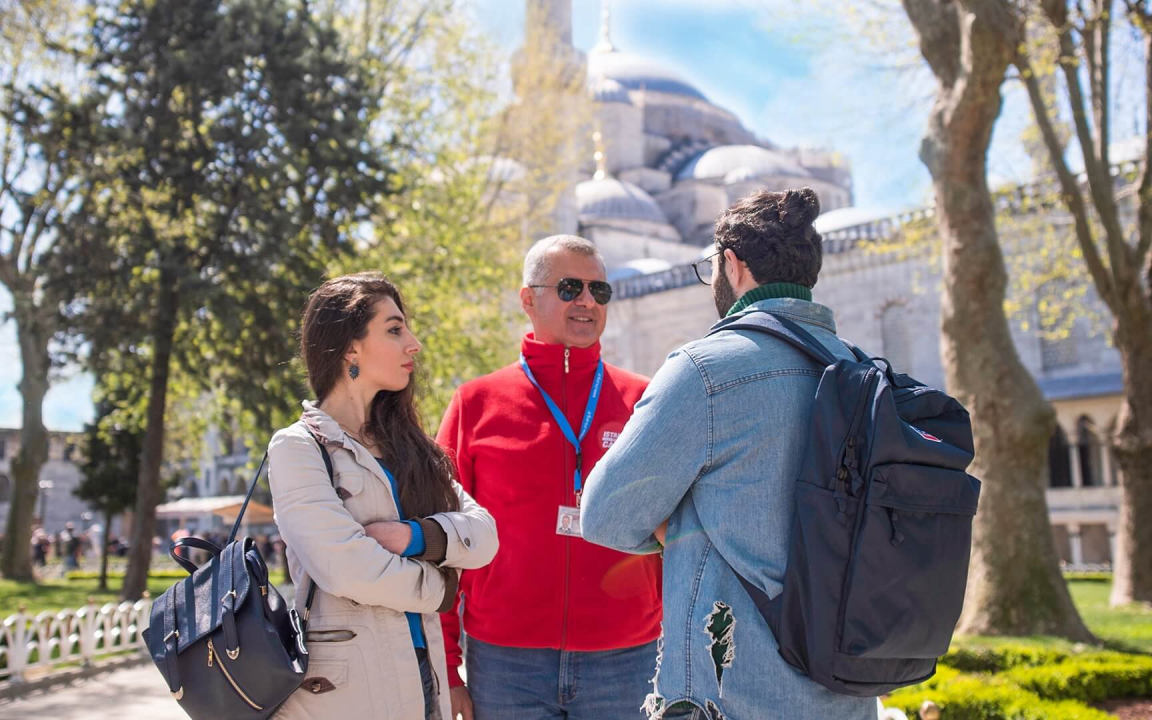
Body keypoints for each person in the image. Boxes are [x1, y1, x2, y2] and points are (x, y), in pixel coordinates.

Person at [581, 189, 878, 719]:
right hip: (845, 694)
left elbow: (604, 515)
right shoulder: (864, 374)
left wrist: (683, 521)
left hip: (728, 695)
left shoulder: (705, 370)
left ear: (732, 266)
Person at [436, 235, 662, 720]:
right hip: (505, 663)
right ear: (528, 299)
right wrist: (448, 669)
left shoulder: (646, 399)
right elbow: (443, 541)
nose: (586, 301)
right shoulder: (474, 404)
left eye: (599, 291)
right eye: (569, 287)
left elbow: (680, 528)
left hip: (628, 659)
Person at [268, 272, 499, 720]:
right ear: (350, 347)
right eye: (394, 330)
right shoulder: (298, 447)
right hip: (345, 690)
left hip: (423, 677)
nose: (413, 344)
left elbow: (485, 535)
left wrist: (416, 537)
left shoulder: (413, 448)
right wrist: (441, 587)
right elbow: (346, 569)